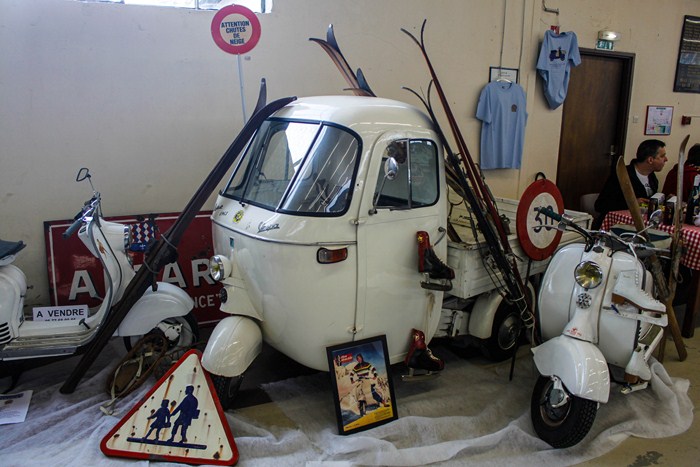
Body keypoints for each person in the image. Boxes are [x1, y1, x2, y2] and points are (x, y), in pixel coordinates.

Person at [593, 139, 667, 228]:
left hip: (639, 224)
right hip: (616, 225)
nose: (666, 159)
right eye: (662, 156)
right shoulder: (622, 175)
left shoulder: (652, 178)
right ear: (650, 160)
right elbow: (600, 205)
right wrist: (631, 203)